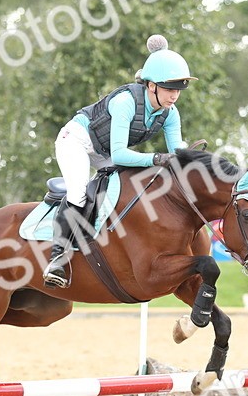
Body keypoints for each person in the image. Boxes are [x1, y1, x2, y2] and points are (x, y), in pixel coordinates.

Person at [44, 34, 197, 289]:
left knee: (126, 190)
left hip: (102, 150)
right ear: (151, 86)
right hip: (77, 140)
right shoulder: (126, 102)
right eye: (170, 89)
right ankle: (57, 258)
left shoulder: (170, 114)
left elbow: (176, 149)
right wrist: (157, 158)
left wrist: (191, 158)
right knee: (80, 192)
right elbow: (120, 155)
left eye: (178, 90)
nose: (174, 96)